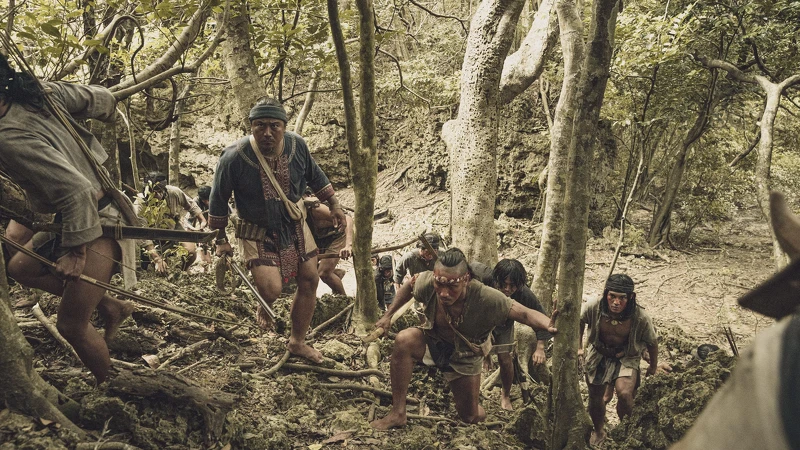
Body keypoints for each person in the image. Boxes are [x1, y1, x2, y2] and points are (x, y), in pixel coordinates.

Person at [0, 55, 136, 382]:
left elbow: (76, 191)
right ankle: (109, 306)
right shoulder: (40, 93)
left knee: (70, 326)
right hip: (79, 213)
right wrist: (107, 105)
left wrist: (76, 253)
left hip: (99, 219)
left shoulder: (8, 135)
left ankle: (112, 388)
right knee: (20, 267)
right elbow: (100, 99)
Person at [208, 97, 345, 363]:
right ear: (251, 127)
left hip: (294, 223)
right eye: (260, 126)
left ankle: (297, 342)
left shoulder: (297, 145)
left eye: (274, 126)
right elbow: (218, 198)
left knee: (310, 279)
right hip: (255, 229)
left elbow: (316, 176)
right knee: (271, 289)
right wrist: (221, 239)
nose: (267, 133)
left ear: (284, 126)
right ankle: (264, 303)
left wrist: (335, 204)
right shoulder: (233, 157)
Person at [370, 248, 558, 429]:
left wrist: (548, 324)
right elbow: (409, 287)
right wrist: (388, 316)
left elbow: (524, 313)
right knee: (404, 339)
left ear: (466, 279)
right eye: (440, 285)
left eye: (452, 286)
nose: (444, 293)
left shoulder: (487, 296)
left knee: (470, 416)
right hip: (434, 342)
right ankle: (398, 413)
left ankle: (484, 407)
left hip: (464, 356)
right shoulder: (427, 281)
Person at [579, 274, 659, 446]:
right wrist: (579, 347)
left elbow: (652, 343)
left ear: (630, 298)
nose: (616, 302)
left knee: (624, 393)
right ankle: (599, 430)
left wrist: (653, 365)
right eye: (612, 296)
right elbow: (579, 321)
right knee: (595, 395)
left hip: (627, 356)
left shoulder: (640, 317)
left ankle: (626, 428)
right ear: (606, 294)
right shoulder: (594, 306)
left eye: (622, 298)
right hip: (599, 353)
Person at [488, 258, 552, 410]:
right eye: (503, 285)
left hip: (503, 326)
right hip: (481, 322)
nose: (507, 289)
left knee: (505, 359)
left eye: (512, 286)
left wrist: (540, 347)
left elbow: (540, 318)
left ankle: (505, 395)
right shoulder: (486, 283)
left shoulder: (524, 294)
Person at [134, 172, 207, 273]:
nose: (157, 195)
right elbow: (143, 234)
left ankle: (183, 271)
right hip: (151, 235)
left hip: (173, 227)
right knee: (150, 268)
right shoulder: (140, 205)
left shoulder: (173, 192)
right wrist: (157, 259)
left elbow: (190, 204)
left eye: (160, 191)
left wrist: (202, 220)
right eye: (154, 192)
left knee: (191, 252)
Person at [305, 194, 353, 295]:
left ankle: (344, 300)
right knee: (305, 269)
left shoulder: (315, 209)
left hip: (339, 234)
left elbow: (347, 219)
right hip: (318, 238)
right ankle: (335, 274)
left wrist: (348, 245)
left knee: (324, 273)